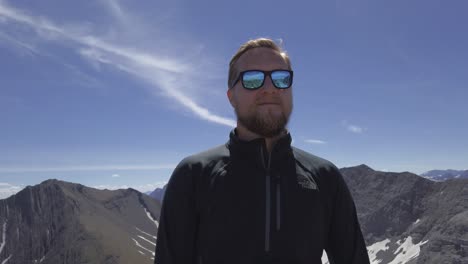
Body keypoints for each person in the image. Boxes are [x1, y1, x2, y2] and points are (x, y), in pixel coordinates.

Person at [154, 38, 370, 264]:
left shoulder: (325, 176)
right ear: (231, 97)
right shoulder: (193, 175)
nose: (270, 89)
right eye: (253, 79)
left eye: (281, 79)